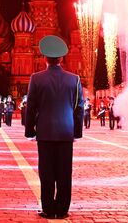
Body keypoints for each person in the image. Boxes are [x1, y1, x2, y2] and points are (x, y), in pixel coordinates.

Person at [25, 35, 83, 220]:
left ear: (44, 58)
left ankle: (48, 208)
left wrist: (30, 131)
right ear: (61, 58)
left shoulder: (36, 78)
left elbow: (31, 106)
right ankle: (63, 209)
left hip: (45, 132)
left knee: (47, 172)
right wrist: (76, 133)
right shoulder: (74, 79)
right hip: (66, 132)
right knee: (65, 172)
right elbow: (78, 107)